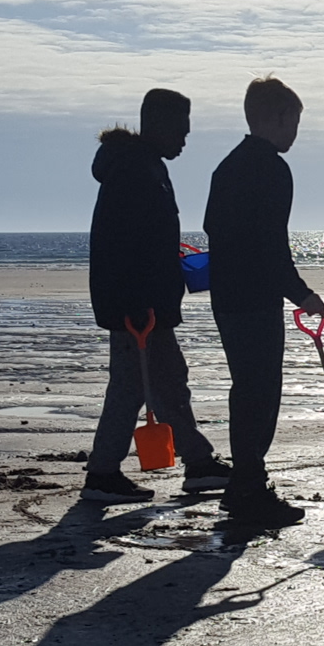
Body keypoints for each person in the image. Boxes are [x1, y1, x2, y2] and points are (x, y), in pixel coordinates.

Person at [82, 88, 228, 503]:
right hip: (138, 306)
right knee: (141, 385)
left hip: (143, 302)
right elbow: (125, 244)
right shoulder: (135, 169)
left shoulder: (143, 166)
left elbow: (140, 238)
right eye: (180, 131)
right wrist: (136, 303)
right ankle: (107, 472)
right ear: (158, 125)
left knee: (157, 383)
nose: (184, 141)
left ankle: (193, 462)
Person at [204, 76, 324, 534]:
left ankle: (245, 482)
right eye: (293, 122)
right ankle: (250, 488)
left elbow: (214, 227)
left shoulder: (227, 166)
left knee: (247, 389)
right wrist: (301, 293)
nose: (295, 132)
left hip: (227, 294)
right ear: (277, 118)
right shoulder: (272, 169)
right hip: (255, 297)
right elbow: (272, 244)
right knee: (260, 392)